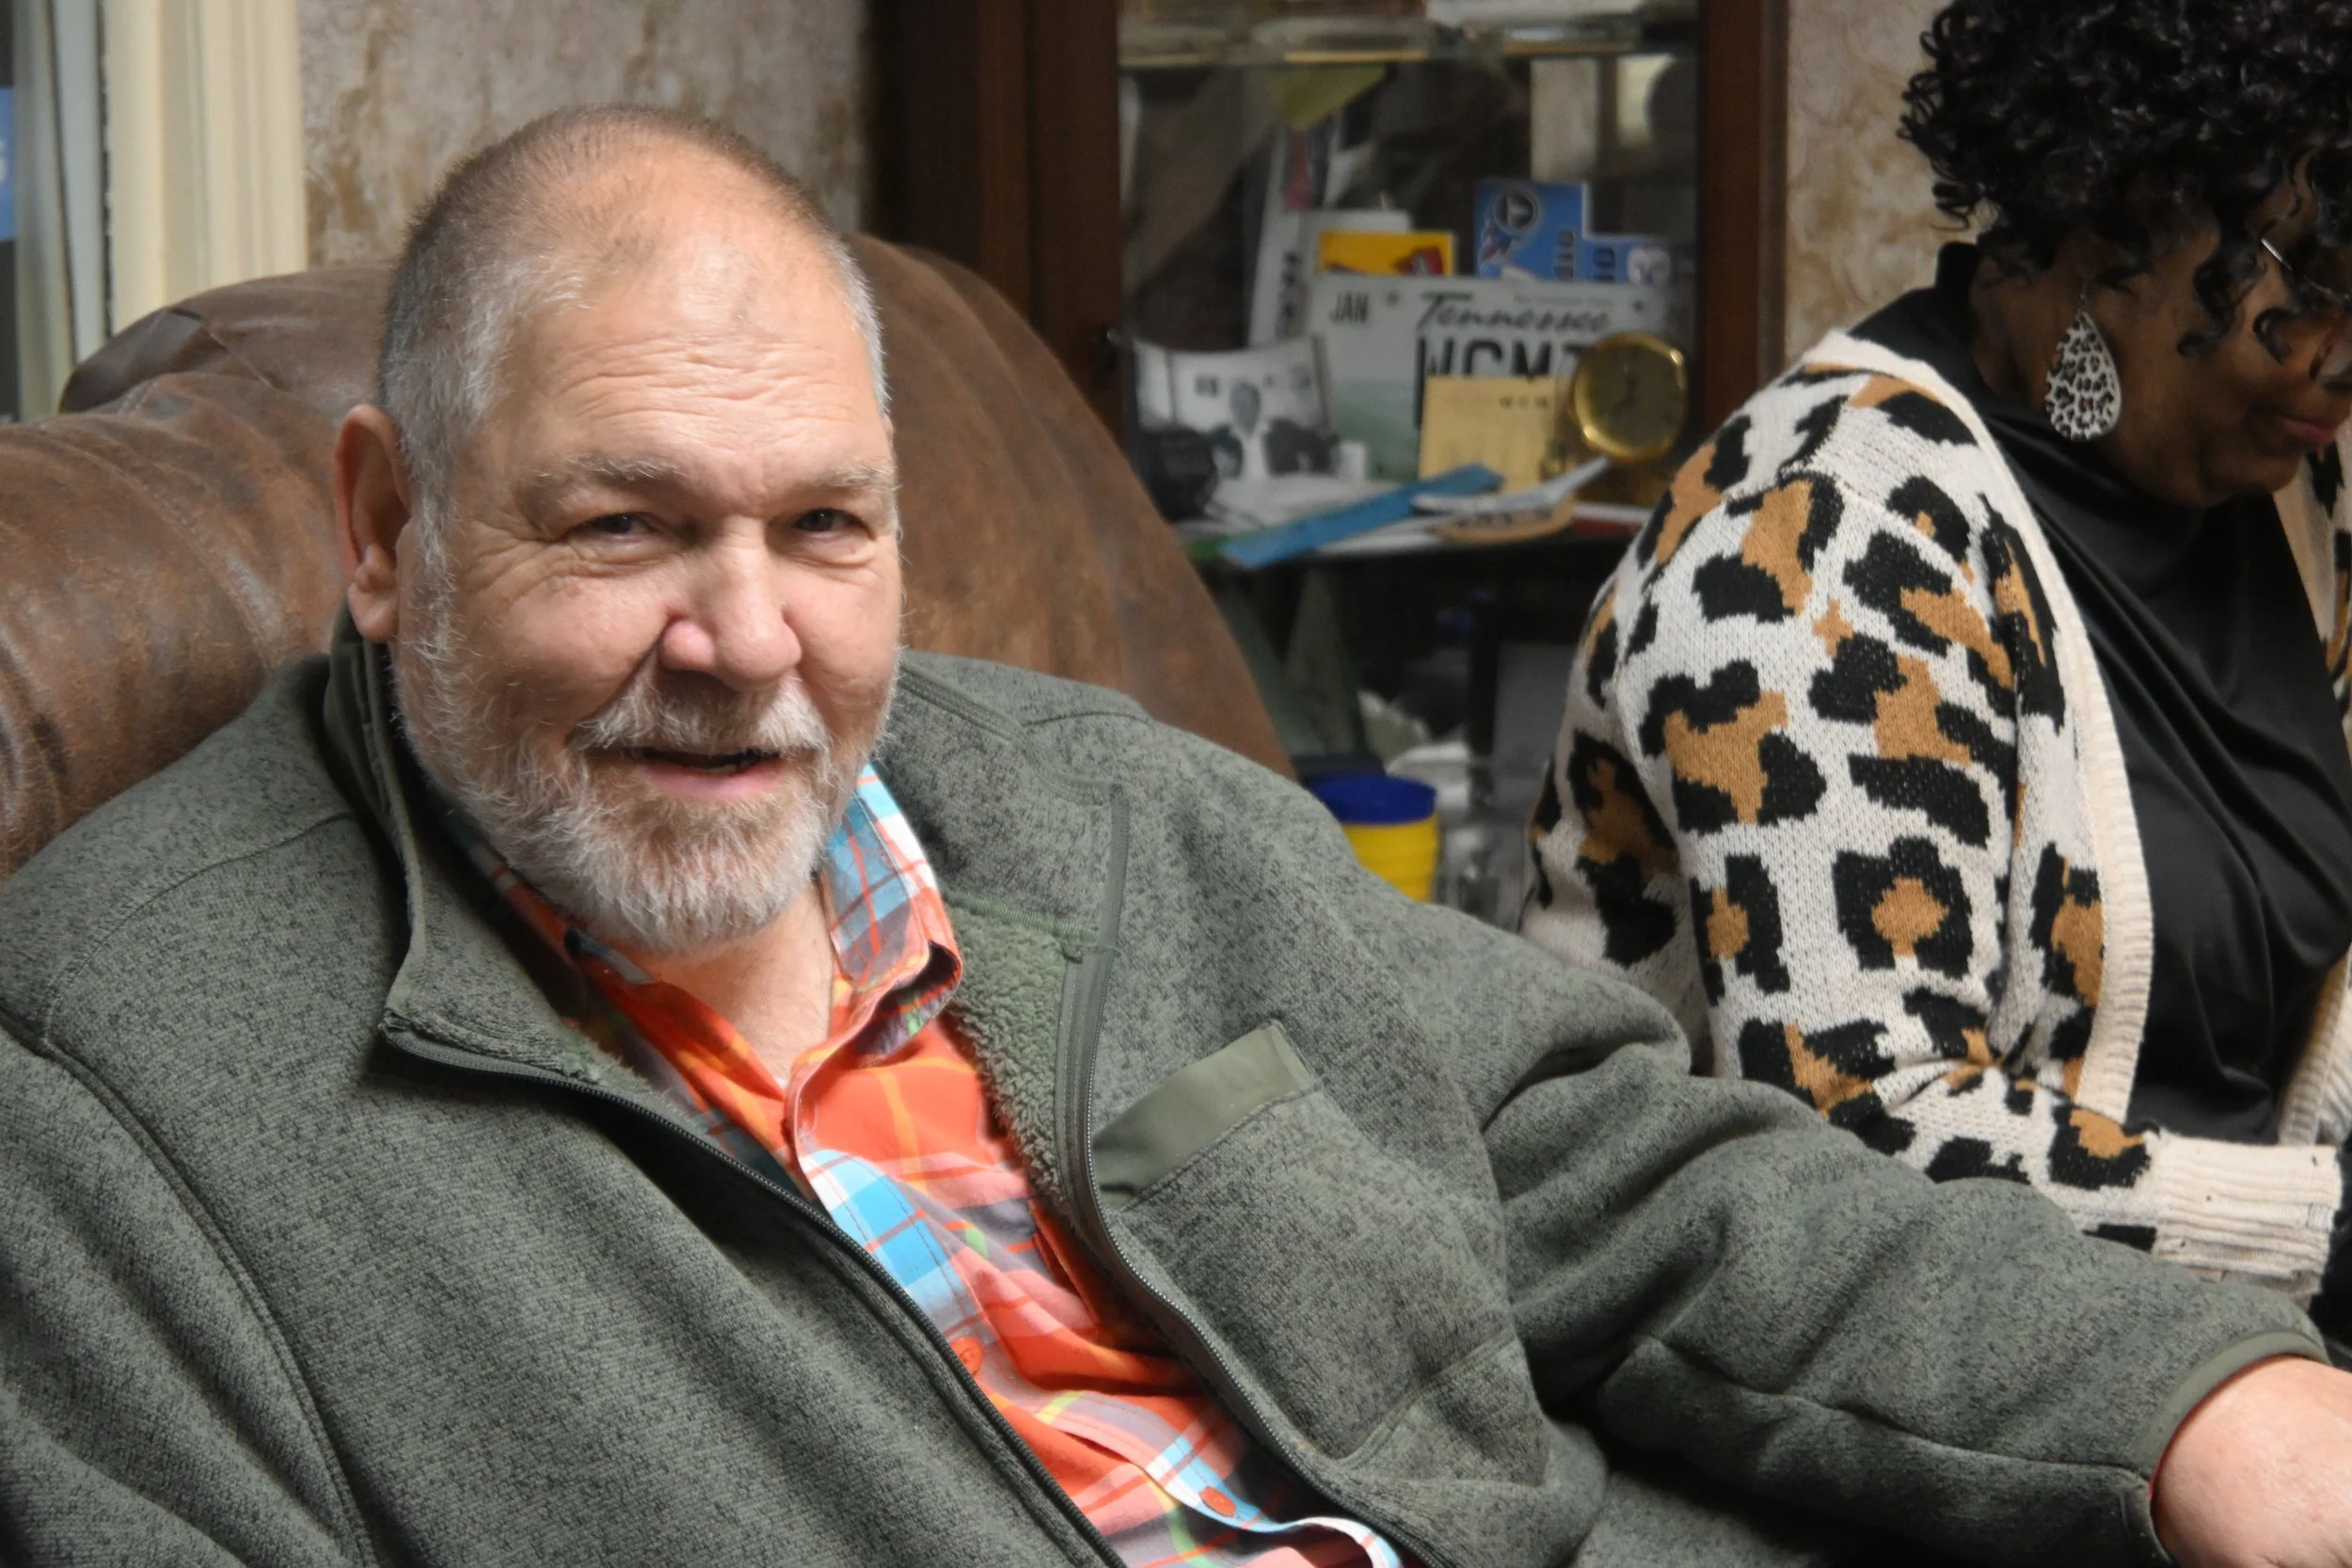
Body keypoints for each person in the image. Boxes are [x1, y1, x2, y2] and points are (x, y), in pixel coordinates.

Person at [3, 106, 2350, 1568]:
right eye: (623, 526)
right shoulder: (110, 1110)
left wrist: (2191, 1404)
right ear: (387, 527)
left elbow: (1640, 1170)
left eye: (825, 526)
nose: (747, 642)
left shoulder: (1083, 798)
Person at [1526, 0, 2352, 1346]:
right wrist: (2318, 1228)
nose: (2345, 355)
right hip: (1825, 1378)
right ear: (2116, 212)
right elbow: (1861, 1140)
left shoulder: (2280, 482)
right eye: (2309, 276)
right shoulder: (1816, 537)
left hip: (2197, 1352)